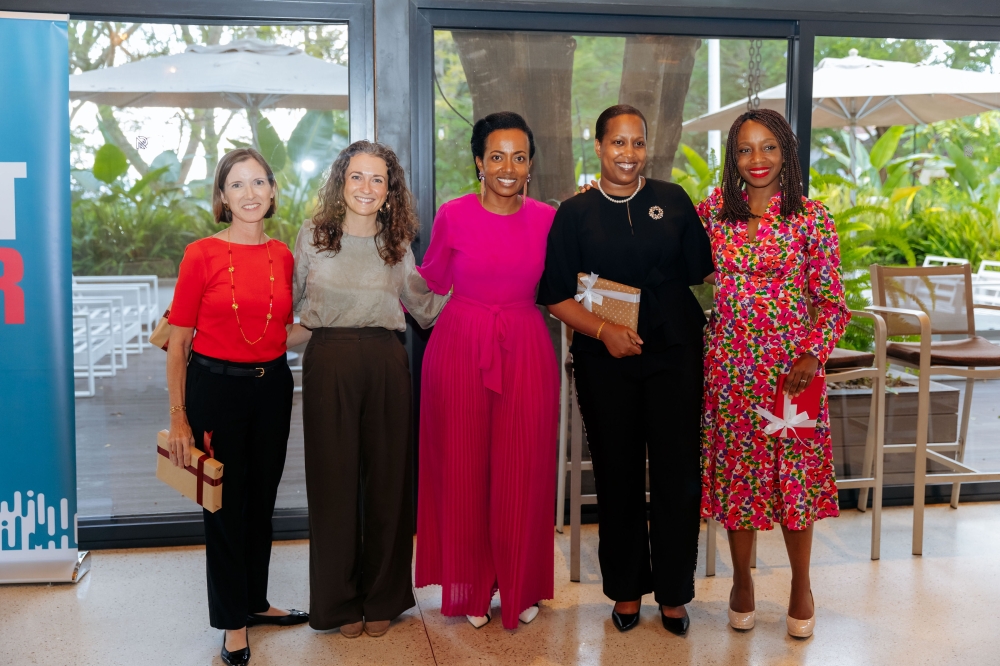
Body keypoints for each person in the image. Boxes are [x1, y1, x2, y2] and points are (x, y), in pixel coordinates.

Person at [539, 105, 714, 636]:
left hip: (675, 356)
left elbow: (701, 271)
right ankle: (627, 590)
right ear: (598, 146)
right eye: (618, 143)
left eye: (638, 143)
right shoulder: (574, 212)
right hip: (604, 361)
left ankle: (676, 594)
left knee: (677, 475)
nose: (629, 154)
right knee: (616, 476)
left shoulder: (674, 200)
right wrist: (603, 332)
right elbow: (554, 296)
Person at [698, 108, 849, 639]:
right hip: (731, 368)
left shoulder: (811, 217)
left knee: (795, 483)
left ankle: (801, 586)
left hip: (793, 374)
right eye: (744, 149)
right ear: (732, 158)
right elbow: (664, 249)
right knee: (740, 477)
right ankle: (741, 582)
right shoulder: (714, 211)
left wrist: (812, 354)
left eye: (767, 147)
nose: (756, 159)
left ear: (786, 150)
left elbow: (832, 304)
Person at [294, 141, 448, 638]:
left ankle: (383, 596)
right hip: (329, 362)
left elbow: (426, 307)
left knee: (387, 483)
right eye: (357, 176)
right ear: (341, 182)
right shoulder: (313, 237)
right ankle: (338, 603)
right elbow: (284, 305)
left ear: (389, 190)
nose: (367, 187)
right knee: (332, 485)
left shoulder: (396, 244)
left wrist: (482, 279)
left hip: (385, 362)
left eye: (377, 179)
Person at [166, 148, 312, 666]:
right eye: (237, 185)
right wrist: (179, 416)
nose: (249, 193)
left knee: (262, 500)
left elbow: (284, 332)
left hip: (272, 386)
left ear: (273, 191)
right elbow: (179, 343)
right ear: (222, 197)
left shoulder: (284, 257)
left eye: (258, 183)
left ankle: (255, 600)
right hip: (215, 390)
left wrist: (335, 317)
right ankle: (232, 623)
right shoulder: (200, 254)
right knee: (224, 507)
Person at [415, 111, 559, 631]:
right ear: (478, 161)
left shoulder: (548, 218)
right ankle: (472, 586)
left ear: (530, 166)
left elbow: (572, 282)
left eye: (518, 157)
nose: (507, 167)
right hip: (459, 347)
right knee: (463, 469)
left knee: (523, 468)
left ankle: (519, 583)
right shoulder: (452, 215)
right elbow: (425, 282)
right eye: (496, 156)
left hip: (525, 345)